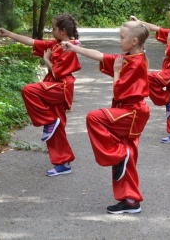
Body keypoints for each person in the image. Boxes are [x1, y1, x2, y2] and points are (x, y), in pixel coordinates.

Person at [62, 21, 150, 214]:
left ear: (134, 41)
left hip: (132, 113)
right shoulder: (130, 56)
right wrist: (74, 48)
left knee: (95, 118)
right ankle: (131, 200)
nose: (119, 41)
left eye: (122, 37)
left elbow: (119, 93)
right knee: (128, 156)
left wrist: (117, 72)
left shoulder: (136, 63)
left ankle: (118, 155)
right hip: (130, 112)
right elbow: (101, 56)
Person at [0, 14, 81, 177]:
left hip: (60, 87)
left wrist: (46, 59)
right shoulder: (56, 43)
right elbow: (33, 42)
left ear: (63, 31)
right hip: (54, 85)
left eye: (54, 28)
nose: (52, 30)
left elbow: (57, 72)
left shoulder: (68, 48)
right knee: (56, 129)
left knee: (29, 90)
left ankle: (49, 120)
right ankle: (63, 163)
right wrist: (9, 33)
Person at [130, 6, 170, 144]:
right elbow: (157, 29)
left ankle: (167, 99)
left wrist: (169, 42)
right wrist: (140, 22)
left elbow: (169, 52)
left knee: (149, 78)